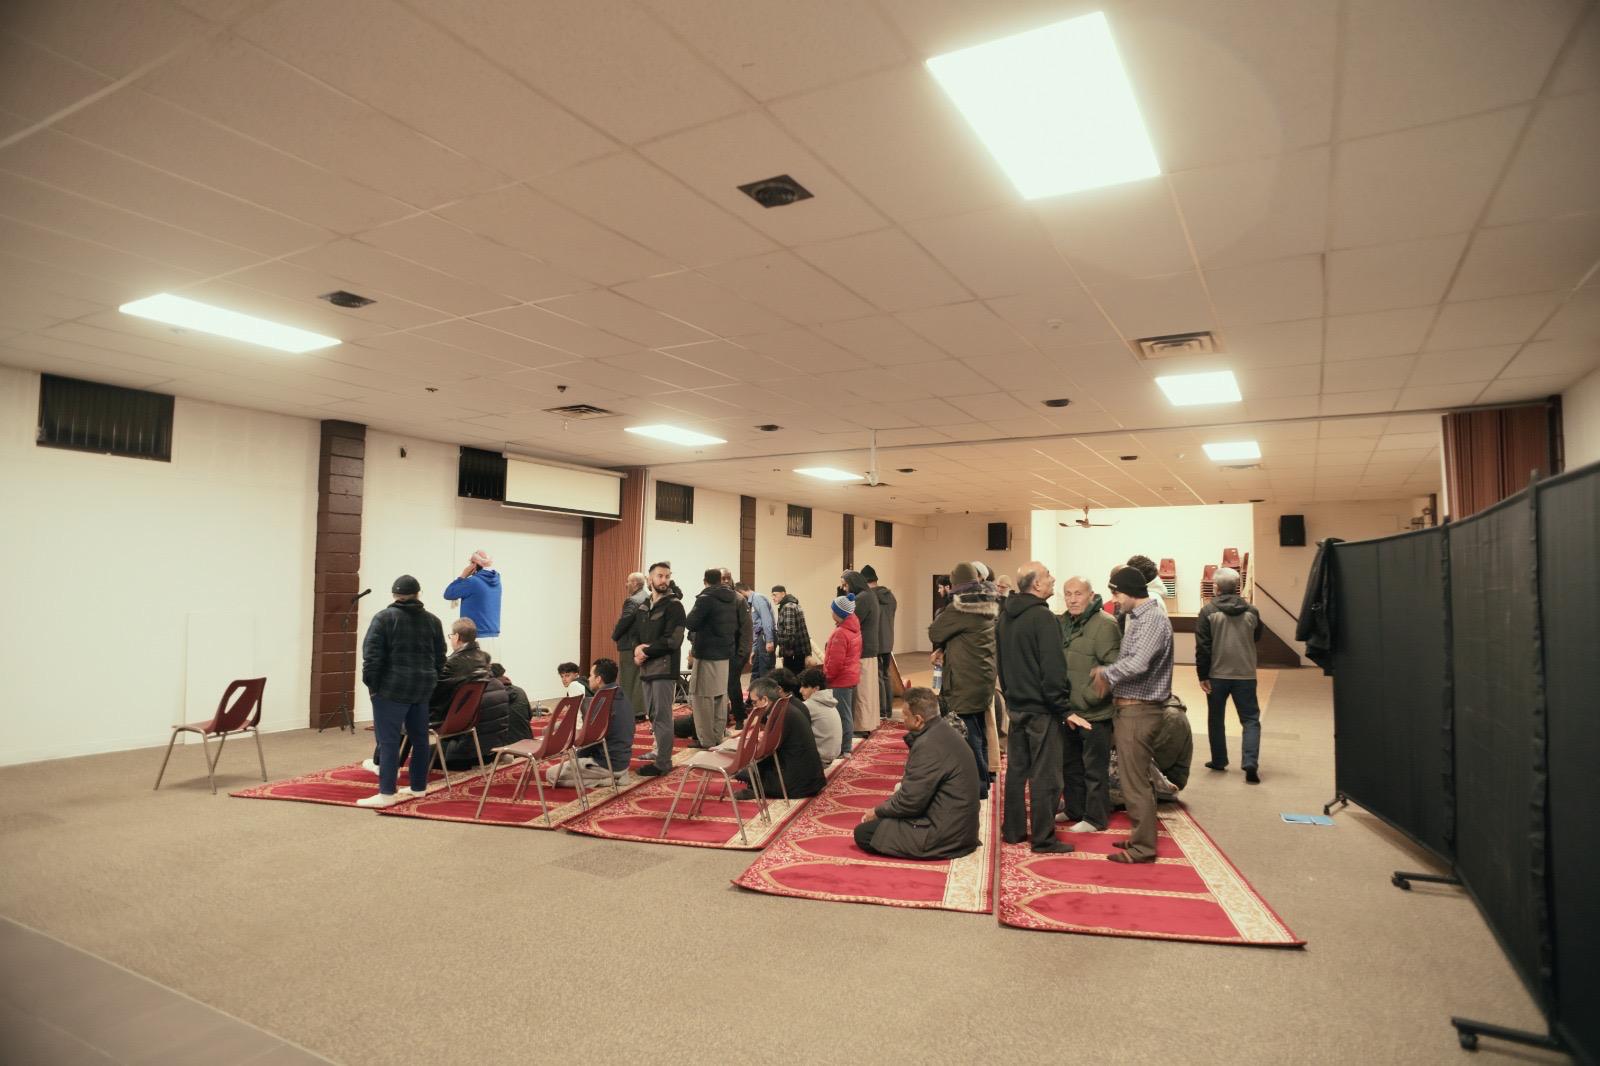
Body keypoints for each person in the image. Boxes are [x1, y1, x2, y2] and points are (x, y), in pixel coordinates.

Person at [996, 562, 1089, 853]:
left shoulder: (1005, 616)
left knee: (1017, 772)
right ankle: (1043, 838)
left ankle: (1013, 831)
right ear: (1036, 584)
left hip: (1016, 707)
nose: (1053, 579)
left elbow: (1001, 664)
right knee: (1046, 777)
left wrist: (1011, 698)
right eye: (1048, 575)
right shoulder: (1043, 618)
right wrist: (1063, 709)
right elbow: (1053, 670)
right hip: (1042, 710)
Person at [1090, 565, 1176, 864]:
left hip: (1140, 710)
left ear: (1128, 592)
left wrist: (1106, 673)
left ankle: (1143, 848)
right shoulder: (1140, 617)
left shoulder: (1152, 619)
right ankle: (1141, 836)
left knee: (1135, 782)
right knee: (1134, 779)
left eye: (1116, 594)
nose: (1115, 600)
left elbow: (1138, 663)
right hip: (1133, 708)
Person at [853, 688, 981, 860]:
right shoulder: (943, 730)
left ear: (918, 720)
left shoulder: (928, 744)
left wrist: (877, 811)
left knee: (864, 833)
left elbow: (910, 802)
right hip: (960, 828)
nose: (902, 719)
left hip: (945, 835)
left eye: (905, 715)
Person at [358, 575, 446, 808]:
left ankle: (387, 794)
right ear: (418, 594)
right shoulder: (433, 621)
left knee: (388, 742)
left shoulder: (384, 618)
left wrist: (373, 687)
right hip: (422, 689)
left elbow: (371, 657)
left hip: (391, 690)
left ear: (394, 595)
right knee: (420, 740)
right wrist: (431, 680)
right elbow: (440, 658)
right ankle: (418, 787)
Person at [927, 561, 999, 800]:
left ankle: (977, 785)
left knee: (969, 734)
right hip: (983, 676)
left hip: (964, 679)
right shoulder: (988, 601)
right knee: (979, 728)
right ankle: (985, 778)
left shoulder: (960, 607)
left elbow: (935, 632)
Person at [1057, 576, 1121, 833]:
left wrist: (1088, 698)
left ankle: (1095, 818)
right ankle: (1074, 809)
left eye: (1078, 593)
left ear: (1091, 595)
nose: (1072, 599)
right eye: (1068, 593)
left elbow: (1113, 668)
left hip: (1095, 712)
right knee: (1070, 765)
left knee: (1094, 769)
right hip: (1069, 710)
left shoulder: (1106, 624)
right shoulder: (1063, 622)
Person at [1196, 566, 1264, 783]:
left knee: (1216, 718)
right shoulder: (1252, 611)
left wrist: (1202, 675)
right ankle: (1250, 762)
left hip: (1217, 674)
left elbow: (1203, 647)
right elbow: (1257, 636)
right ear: (1237, 587)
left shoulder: (1208, 612)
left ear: (1216, 587)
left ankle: (1219, 760)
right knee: (1250, 719)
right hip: (1245, 674)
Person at [632, 562, 686, 778]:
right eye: (660, 576)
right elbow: (636, 634)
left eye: (667, 576)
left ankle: (663, 763)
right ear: (650, 579)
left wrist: (645, 652)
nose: (664, 580)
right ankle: (660, 757)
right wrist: (636, 649)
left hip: (664, 668)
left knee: (662, 716)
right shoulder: (644, 606)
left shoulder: (674, 606)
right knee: (653, 714)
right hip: (647, 669)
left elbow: (673, 640)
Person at [733, 678, 826, 802]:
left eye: (754, 702)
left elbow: (764, 751)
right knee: (749, 770)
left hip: (799, 784)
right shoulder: (785, 706)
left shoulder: (779, 715)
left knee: (747, 771)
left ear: (765, 700)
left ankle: (759, 790)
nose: (753, 707)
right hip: (813, 778)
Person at [549, 658, 636, 787]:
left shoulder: (602, 701)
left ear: (598, 679)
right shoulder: (620, 693)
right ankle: (617, 775)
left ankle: (608, 780)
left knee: (552, 775)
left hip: (606, 763)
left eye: (591, 675)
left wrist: (576, 757)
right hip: (623, 760)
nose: (588, 679)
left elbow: (590, 740)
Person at [684, 567, 739, 748]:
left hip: (707, 654)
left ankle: (706, 740)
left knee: (702, 699)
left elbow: (690, 622)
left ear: (705, 581)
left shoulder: (706, 598)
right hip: (724, 654)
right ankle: (717, 735)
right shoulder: (732, 597)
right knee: (720, 697)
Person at [442, 551, 502, 659]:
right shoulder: (497, 581)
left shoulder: (472, 582)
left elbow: (449, 593)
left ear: (474, 565)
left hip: (476, 638)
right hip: (494, 637)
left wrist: (463, 576)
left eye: (471, 563)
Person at [823, 592, 862, 756]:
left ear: (839, 613)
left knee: (842, 715)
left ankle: (844, 748)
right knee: (848, 714)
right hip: (851, 676)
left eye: (833, 610)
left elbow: (835, 662)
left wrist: (827, 676)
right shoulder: (853, 628)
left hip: (840, 680)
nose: (831, 612)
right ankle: (845, 745)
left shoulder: (840, 633)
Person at [841, 570, 879, 731]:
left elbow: (849, 622)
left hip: (862, 649)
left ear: (853, 583)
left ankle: (862, 725)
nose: (844, 589)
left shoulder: (862, 598)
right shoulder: (869, 595)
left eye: (845, 585)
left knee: (863, 692)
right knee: (868, 690)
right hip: (869, 647)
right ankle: (869, 722)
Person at [611, 571, 649, 719]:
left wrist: (615, 635)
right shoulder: (648, 597)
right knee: (639, 679)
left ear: (635, 583)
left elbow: (625, 621)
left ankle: (629, 712)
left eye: (628, 582)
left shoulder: (632, 601)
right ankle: (640, 711)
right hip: (643, 644)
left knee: (628, 679)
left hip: (629, 645)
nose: (626, 585)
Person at [863, 565, 897, 719]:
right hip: (888, 641)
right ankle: (888, 710)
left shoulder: (870, 597)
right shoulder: (890, 597)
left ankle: (882, 711)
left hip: (875, 641)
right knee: (886, 675)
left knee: (878, 677)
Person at [723, 569, 754, 728]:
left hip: (735, 653)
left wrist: (742, 653)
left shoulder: (739, 600)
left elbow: (746, 630)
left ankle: (740, 717)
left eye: (728, 578)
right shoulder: (711, 599)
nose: (725, 581)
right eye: (722, 578)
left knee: (732, 684)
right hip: (717, 653)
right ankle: (723, 717)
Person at [797, 667, 844, 763]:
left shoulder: (809, 705)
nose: (800, 690)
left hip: (819, 757)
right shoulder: (829, 700)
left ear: (816, 688)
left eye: (805, 687)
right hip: (831, 753)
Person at [771, 585, 812, 676]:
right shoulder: (792, 604)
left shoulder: (788, 607)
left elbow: (790, 633)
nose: (773, 598)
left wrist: (787, 651)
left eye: (775, 595)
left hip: (792, 652)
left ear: (783, 594)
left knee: (791, 678)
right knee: (798, 676)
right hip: (798, 651)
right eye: (772, 595)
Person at [744, 583, 776, 684]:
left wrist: (769, 640)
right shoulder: (751, 603)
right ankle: (752, 694)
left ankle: (767, 693)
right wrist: (754, 649)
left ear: (741, 592)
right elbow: (755, 627)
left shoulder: (758, 598)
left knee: (765, 671)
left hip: (765, 637)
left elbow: (766, 619)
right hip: (760, 638)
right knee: (756, 670)